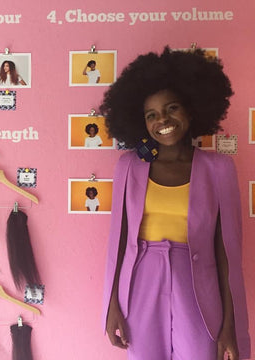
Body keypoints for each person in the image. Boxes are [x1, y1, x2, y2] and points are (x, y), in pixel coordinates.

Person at [100, 47, 250, 360]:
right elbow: (119, 241)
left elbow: (227, 253)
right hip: (141, 280)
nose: (163, 120)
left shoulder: (218, 168)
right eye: (151, 115)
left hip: (198, 285)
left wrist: (229, 327)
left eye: (172, 108)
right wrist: (111, 305)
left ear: (191, 110)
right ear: (141, 123)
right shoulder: (129, 166)